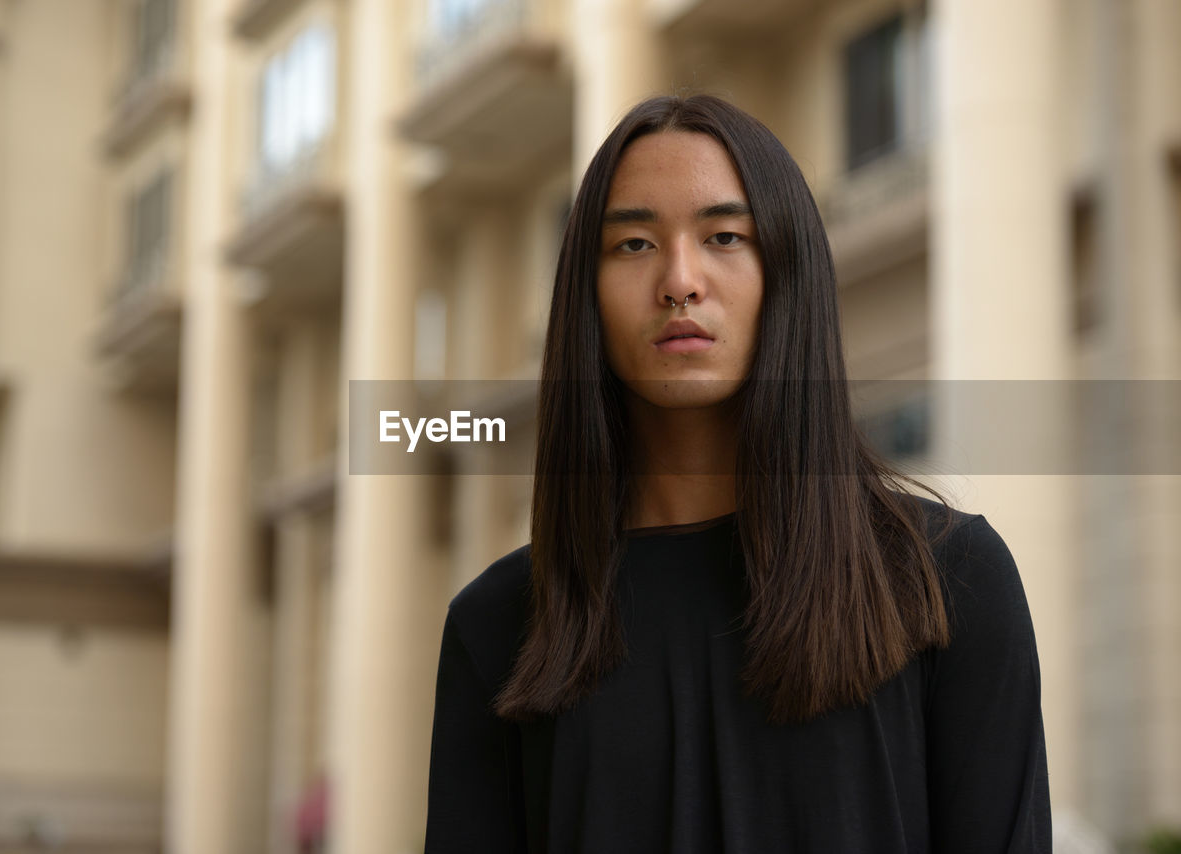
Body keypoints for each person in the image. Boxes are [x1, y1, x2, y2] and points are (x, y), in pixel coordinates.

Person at [423, 94, 1051, 853]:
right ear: (583, 296)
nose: (679, 281)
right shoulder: (500, 627)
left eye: (725, 236)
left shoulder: (946, 582)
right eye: (632, 245)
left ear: (787, 271)